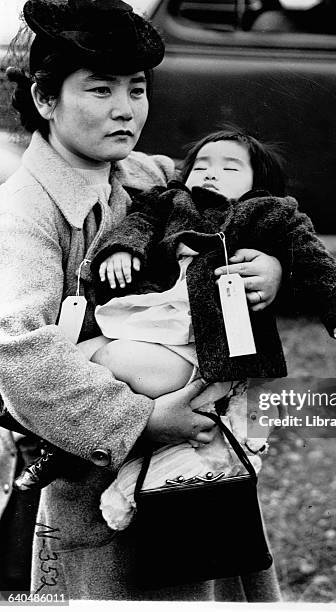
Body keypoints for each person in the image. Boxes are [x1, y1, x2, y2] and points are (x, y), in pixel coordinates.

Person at [0, 0, 282, 600]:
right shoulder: (24, 213)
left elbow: (240, 206)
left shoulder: (149, 178)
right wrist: (141, 422)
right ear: (46, 99)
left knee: (216, 578)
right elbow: (14, 350)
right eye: (100, 90)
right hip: (94, 472)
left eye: (137, 88)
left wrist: (271, 264)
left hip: (194, 457)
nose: (126, 110)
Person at [73, 129, 336, 532]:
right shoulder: (171, 200)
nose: (211, 174)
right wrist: (123, 248)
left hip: (203, 346)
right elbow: (138, 222)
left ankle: (137, 480)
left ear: (256, 183)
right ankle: (94, 453)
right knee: (76, 352)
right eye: (202, 165)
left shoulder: (270, 213)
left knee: (111, 360)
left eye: (230, 168)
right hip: (155, 317)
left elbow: (315, 259)